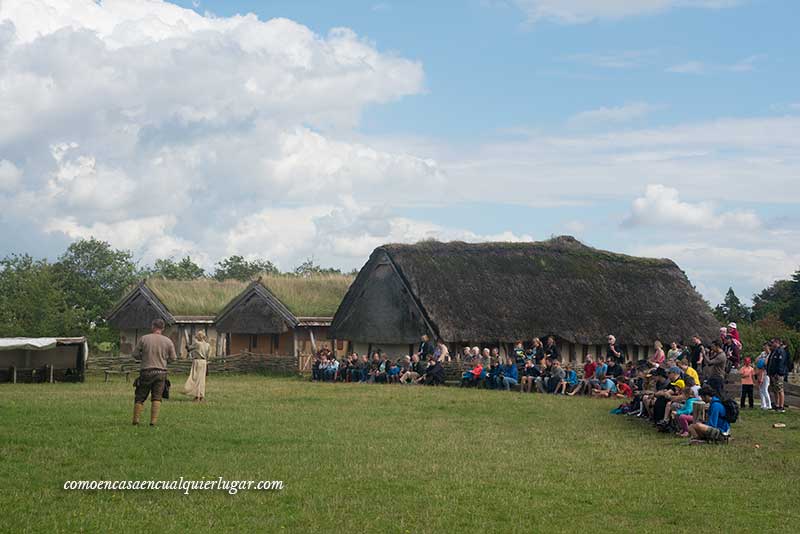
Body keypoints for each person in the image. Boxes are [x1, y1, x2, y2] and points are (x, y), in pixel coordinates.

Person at [132, 319, 177, 426]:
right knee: (157, 397)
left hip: (146, 371)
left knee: (140, 396)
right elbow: (173, 358)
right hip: (161, 372)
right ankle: (153, 421)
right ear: (163, 328)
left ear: (153, 326)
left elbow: (135, 354)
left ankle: (136, 420)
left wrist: (143, 358)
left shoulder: (144, 339)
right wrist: (165, 361)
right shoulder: (168, 341)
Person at [183, 331, 210, 402]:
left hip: (197, 361)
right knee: (202, 380)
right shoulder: (207, 345)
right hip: (204, 362)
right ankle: (201, 395)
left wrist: (187, 346)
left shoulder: (197, 343)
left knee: (195, 378)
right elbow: (208, 356)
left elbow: (189, 348)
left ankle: (197, 395)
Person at [767, 338, 788, 413]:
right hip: (772, 374)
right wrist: (770, 372)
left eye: (773, 342)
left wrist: (778, 373)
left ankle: (781, 406)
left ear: (777, 343)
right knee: (775, 390)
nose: (772, 344)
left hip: (778, 374)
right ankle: (776, 404)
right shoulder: (774, 351)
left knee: (780, 389)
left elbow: (780, 363)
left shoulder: (781, 351)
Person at [756, 345, 772, 410]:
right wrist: (761, 360)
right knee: (760, 389)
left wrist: (763, 361)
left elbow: (766, 363)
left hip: (766, 373)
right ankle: (763, 404)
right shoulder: (763, 353)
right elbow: (757, 360)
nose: (765, 348)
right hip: (760, 371)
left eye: (766, 347)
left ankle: (769, 404)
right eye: (764, 347)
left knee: (765, 389)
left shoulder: (771, 354)